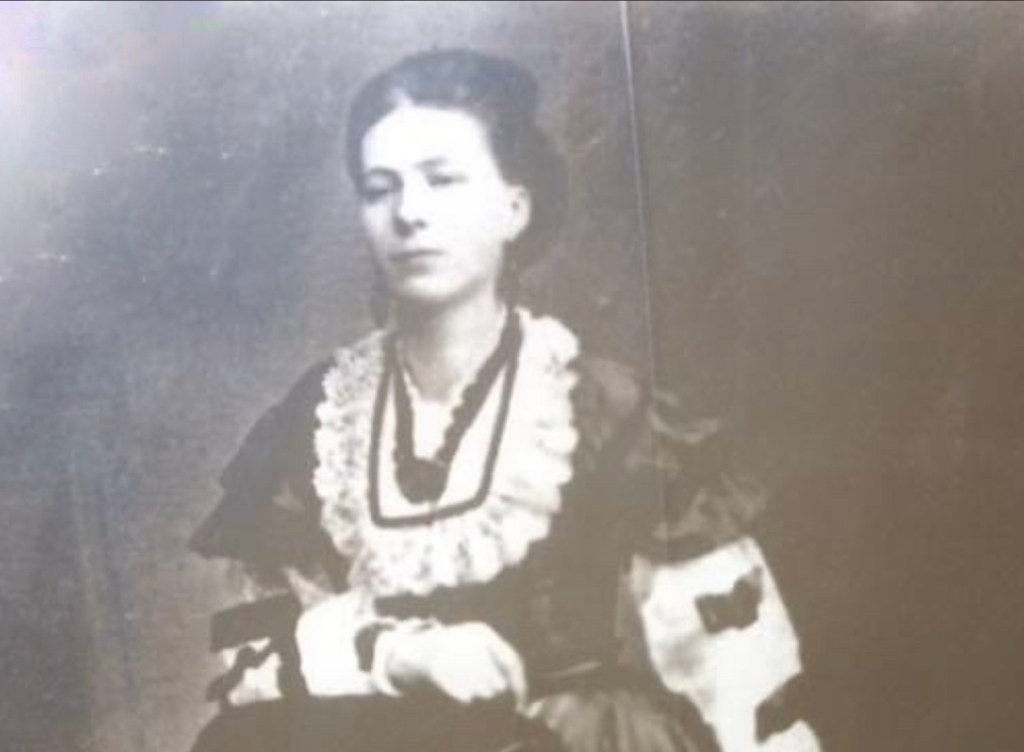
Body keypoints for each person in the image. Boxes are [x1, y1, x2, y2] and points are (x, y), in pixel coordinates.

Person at [188, 49, 811, 752]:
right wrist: (399, 654)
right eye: (380, 188)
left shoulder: (602, 408)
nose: (409, 213)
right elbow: (250, 659)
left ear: (514, 207)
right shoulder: (323, 417)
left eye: (442, 180)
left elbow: (735, 674)